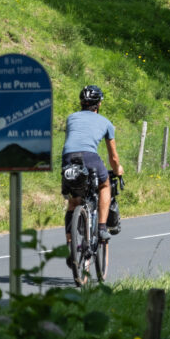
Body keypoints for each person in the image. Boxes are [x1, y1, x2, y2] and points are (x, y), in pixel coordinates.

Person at [62, 85, 123, 252]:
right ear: (99, 104)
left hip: (68, 158)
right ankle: (102, 227)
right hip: (90, 157)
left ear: (81, 102)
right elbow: (113, 157)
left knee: (73, 201)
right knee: (104, 185)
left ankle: (70, 247)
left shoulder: (71, 118)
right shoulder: (106, 123)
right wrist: (118, 170)